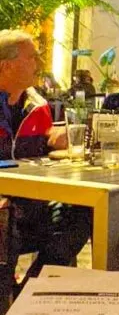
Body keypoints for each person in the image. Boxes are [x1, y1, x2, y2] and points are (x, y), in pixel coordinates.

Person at [0, 30, 91, 284]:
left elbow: (38, 150)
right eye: (31, 58)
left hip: (33, 203)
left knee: (82, 210)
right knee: (3, 228)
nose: (38, 64)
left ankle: (31, 289)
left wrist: (52, 139)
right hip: (5, 208)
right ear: (6, 66)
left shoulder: (37, 106)